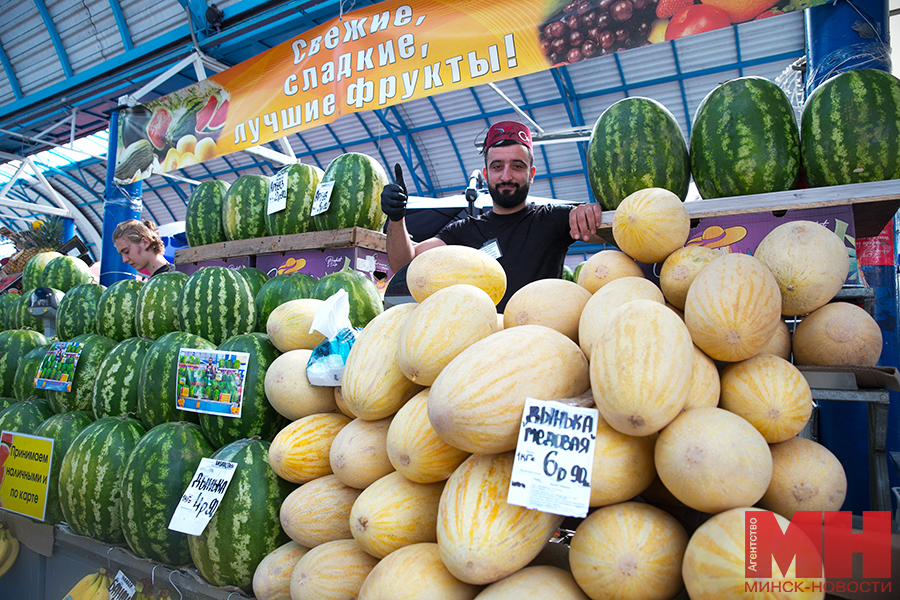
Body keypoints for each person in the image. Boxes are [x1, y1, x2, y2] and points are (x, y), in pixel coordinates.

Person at [381, 120, 603, 310]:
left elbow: (614, 231)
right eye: (497, 167)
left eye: (517, 166)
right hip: (480, 345)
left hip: (538, 341)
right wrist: (397, 218)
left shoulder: (554, 219)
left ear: (531, 173)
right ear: (486, 174)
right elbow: (406, 264)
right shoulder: (463, 231)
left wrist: (592, 212)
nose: (506, 176)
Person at [112, 219, 176, 278]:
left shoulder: (174, 278)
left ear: (145, 242)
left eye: (126, 251)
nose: (124, 260)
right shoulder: (160, 279)